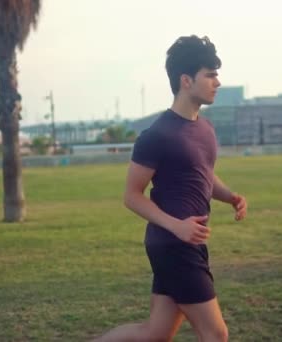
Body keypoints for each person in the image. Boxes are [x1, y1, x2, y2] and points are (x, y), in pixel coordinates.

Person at [94, 35, 247, 342]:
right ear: (186, 80)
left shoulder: (204, 128)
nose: (217, 82)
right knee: (216, 334)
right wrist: (177, 227)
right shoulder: (157, 135)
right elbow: (132, 196)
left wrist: (229, 196)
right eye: (210, 75)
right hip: (173, 244)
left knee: (155, 333)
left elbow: (202, 174)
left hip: (187, 241)